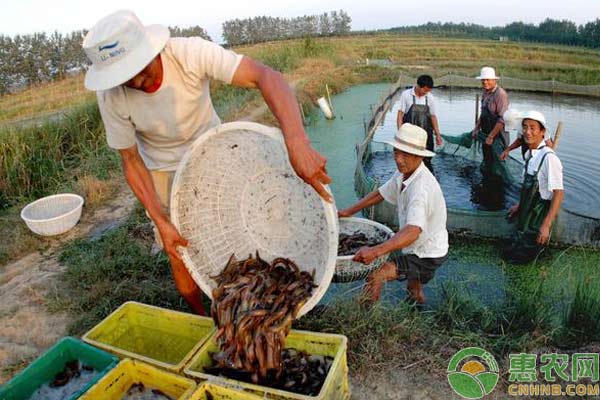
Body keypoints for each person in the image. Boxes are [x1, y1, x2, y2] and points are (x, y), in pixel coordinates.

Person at [82, 10, 332, 315]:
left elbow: (267, 77)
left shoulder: (188, 53)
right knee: (178, 251)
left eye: (140, 68)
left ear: (151, 49)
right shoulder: (111, 97)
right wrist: (160, 219)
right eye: (125, 76)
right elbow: (130, 161)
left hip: (215, 153)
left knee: (233, 225)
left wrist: (297, 142)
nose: (135, 80)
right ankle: (203, 317)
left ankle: (247, 306)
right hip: (162, 167)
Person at [338, 124, 449, 304]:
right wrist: (349, 211)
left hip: (427, 253)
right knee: (413, 289)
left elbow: (413, 230)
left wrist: (375, 251)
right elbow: (380, 193)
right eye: (396, 152)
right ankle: (418, 307)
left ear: (420, 156)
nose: (398, 159)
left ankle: (365, 319)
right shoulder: (404, 173)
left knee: (376, 274)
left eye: (405, 154)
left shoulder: (421, 188)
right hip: (418, 245)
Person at [503, 111, 564, 264]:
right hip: (526, 211)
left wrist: (546, 225)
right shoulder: (531, 154)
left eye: (532, 128)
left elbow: (559, 193)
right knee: (513, 256)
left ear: (542, 132)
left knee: (528, 260)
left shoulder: (549, 158)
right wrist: (519, 205)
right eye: (524, 127)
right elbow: (529, 188)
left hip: (538, 216)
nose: (527, 132)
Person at [396, 75, 443, 172]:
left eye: (428, 91)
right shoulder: (406, 95)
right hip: (409, 135)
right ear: (418, 86)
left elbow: (433, 117)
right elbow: (400, 114)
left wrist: (438, 135)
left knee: (426, 159)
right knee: (408, 159)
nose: (426, 93)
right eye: (425, 91)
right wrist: (400, 131)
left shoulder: (430, 97)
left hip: (426, 135)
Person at [471, 67, 510, 180]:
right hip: (486, 134)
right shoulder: (485, 93)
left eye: (488, 80)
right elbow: (483, 114)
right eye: (483, 80)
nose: (485, 82)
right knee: (488, 161)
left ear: (494, 80)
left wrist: (491, 136)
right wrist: (476, 128)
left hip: (498, 136)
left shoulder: (500, 95)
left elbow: (502, 120)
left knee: (498, 164)